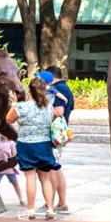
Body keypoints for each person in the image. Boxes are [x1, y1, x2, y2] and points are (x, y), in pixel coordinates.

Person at [6, 76, 64, 220]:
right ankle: (50, 209)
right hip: (44, 144)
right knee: (45, 178)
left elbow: (8, 120)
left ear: (29, 91)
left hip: (26, 145)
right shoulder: (48, 107)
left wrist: (14, 103)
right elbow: (54, 119)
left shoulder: (22, 106)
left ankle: (31, 210)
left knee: (30, 177)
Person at [45, 65, 74, 213]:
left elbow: (59, 111)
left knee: (51, 169)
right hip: (58, 134)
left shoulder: (59, 89)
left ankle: (55, 203)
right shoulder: (65, 88)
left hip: (53, 134)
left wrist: (40, 115)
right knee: (55, 167)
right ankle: (59, 202)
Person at [0, 133, 25, 206]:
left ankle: (21, 199)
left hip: (9, 168)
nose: (2, 134)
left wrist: (11, 164)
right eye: (1, 132)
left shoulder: (11, 143)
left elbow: (14, 156)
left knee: (15, 183)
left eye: (4, 132)